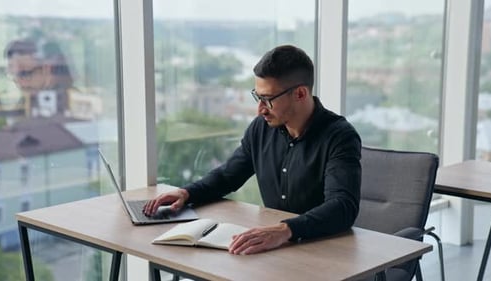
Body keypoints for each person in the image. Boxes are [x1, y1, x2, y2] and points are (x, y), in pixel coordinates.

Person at [144, 45, 362, 255]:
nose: (260, 110)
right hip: (274, 248)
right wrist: (186, 193)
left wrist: (285, 230)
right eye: (258, 97)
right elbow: (228, 176)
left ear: (300, 94)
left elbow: (342, 207)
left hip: (324, 251)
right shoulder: (261, 128)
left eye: (268, 99)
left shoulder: (340, 136)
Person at [4, 37, 74, 118]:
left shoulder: (72, 102)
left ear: (46, 69)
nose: (18, 81)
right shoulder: (28, 100)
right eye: (12, 74)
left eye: (24, 74)